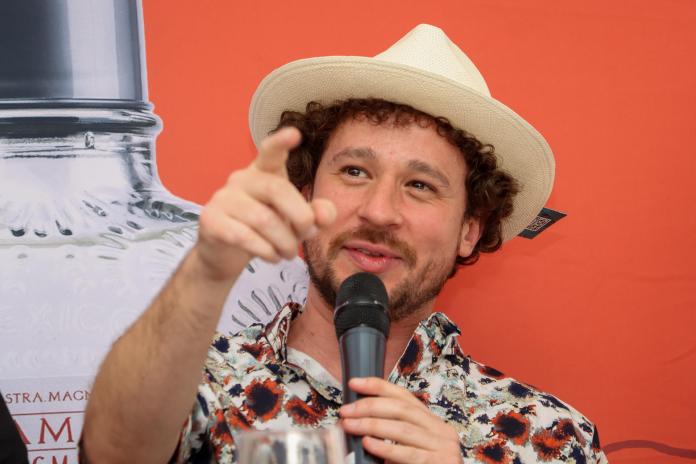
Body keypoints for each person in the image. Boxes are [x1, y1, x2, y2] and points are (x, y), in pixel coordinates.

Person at [80, 24, 608, 463]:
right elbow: (113, 452)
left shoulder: (553, 437)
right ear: (306, 191)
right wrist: (206, 270)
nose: (378, 211)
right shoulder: (202, 389)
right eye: (354, 171)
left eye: (420, 185)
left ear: (470, 227)